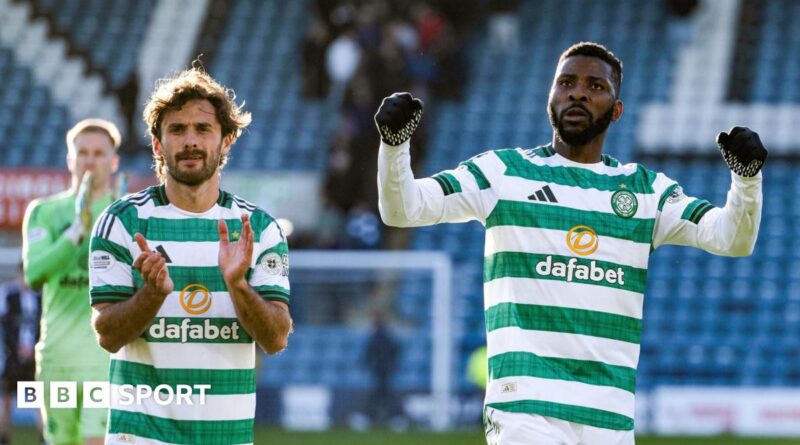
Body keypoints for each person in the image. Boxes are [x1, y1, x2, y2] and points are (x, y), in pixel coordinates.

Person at [375, 42, 766, 444]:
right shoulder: (503, 173)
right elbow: (404, 209)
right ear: (550, 98)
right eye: (566, 83)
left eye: (595, 86)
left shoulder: (647, 192)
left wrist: (746, 180)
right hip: (525, 409)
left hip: (609, 415)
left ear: (616, 110)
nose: (577, 92)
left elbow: (730, 239)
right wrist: (394, 145)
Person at [88, 67, 293, 445]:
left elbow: (276, 338)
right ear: (157, 144)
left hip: (226, 436)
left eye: (203, 129)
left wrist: (238, 286)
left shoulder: (259, 229)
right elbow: (108, 336)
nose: (190, 141)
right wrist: (150, 294)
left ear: (226, 140)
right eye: (177, 129)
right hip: (141, 436)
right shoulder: (122, 221)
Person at [22, 118, 124, 445]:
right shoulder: (45, 212)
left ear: (113, 161)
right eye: (82, 153)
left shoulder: (123, 214)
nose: (89, 160)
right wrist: (74, 234)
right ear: (70, 159)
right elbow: (34, 274)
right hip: (57, 360)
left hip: (103, 360)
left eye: (98, 153)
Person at [0, 264, 41, 445]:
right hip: (12, 358)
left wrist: (34, 349)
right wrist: (16, 348)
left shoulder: (39, 298)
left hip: (33, 359)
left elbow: (42, 327)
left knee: (38, 401)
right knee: (6, 400)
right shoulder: (8, 295)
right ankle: (4, 438)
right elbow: (5, 326)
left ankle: (44, 438)